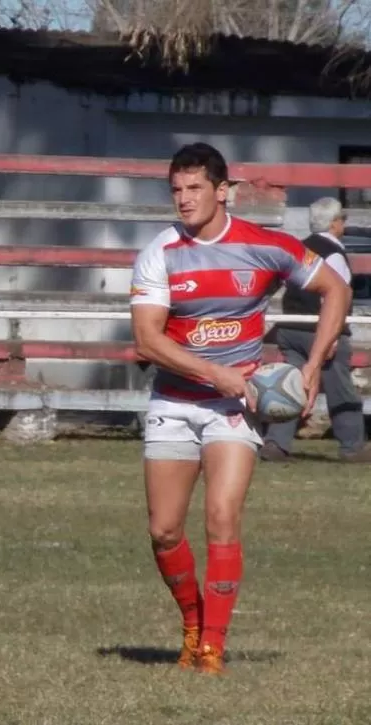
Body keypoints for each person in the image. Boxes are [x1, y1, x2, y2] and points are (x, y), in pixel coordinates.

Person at [129, 143, 351, 674]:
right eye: (176, 190)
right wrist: (217, 373)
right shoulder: (159, 252)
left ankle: (212, 648)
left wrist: (314, 365)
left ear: (223, 191)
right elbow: (147, 340)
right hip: (176, 401)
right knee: (163, 530)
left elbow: (336, 288)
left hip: (234, 408)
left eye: (195, 188)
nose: (183, 200)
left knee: (222, 518)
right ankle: (191, 622)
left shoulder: (266, 246)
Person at [260, 196, 371, 462]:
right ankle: (352, 447)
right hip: (319, 330)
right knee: (340, 388)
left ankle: (276, 443)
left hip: (291, 327)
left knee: (289, 387)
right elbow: (337, 297)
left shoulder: (298, 248)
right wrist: (331, 337)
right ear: (335, 224)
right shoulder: (334, 255)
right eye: (341, 219)